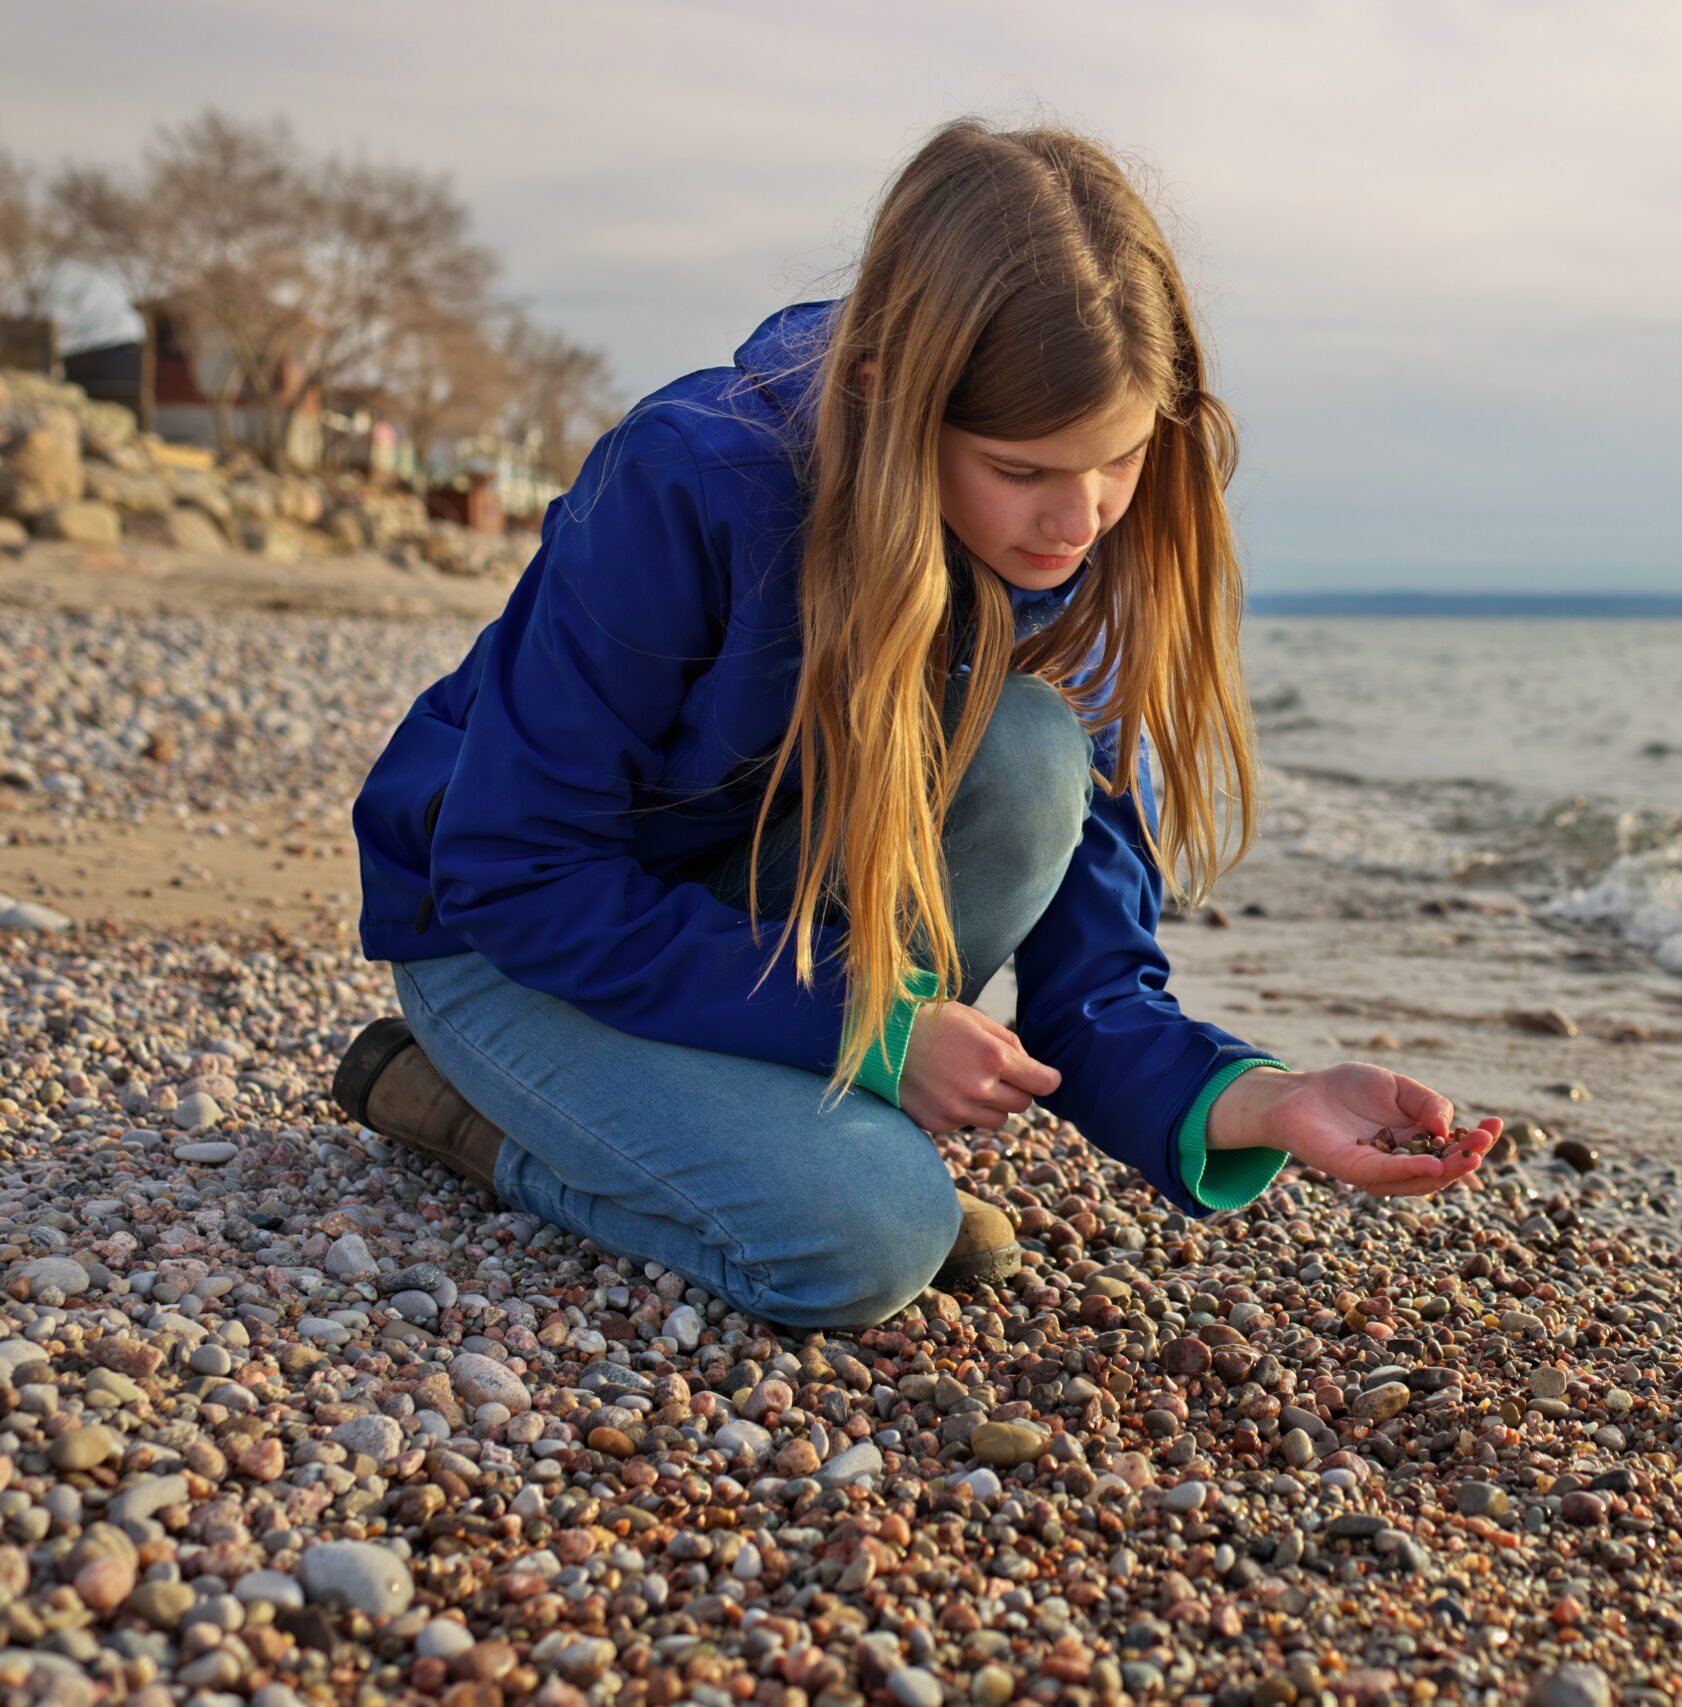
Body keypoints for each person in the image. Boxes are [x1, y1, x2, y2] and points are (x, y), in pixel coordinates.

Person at [331, 119, 1497, 1331]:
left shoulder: (1076, 553)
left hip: (736, 929)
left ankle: (784, 1137)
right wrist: (871, 1028)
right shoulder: (686, 482)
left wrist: (1260, 1098)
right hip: (504, 944)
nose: (1078, 517)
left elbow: (1088, 967)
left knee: (1031, 747)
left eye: (1118, 460)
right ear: (892, 394)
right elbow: (516, 874)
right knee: (871, 1242)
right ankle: (465, 1116)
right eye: (1022, 468)